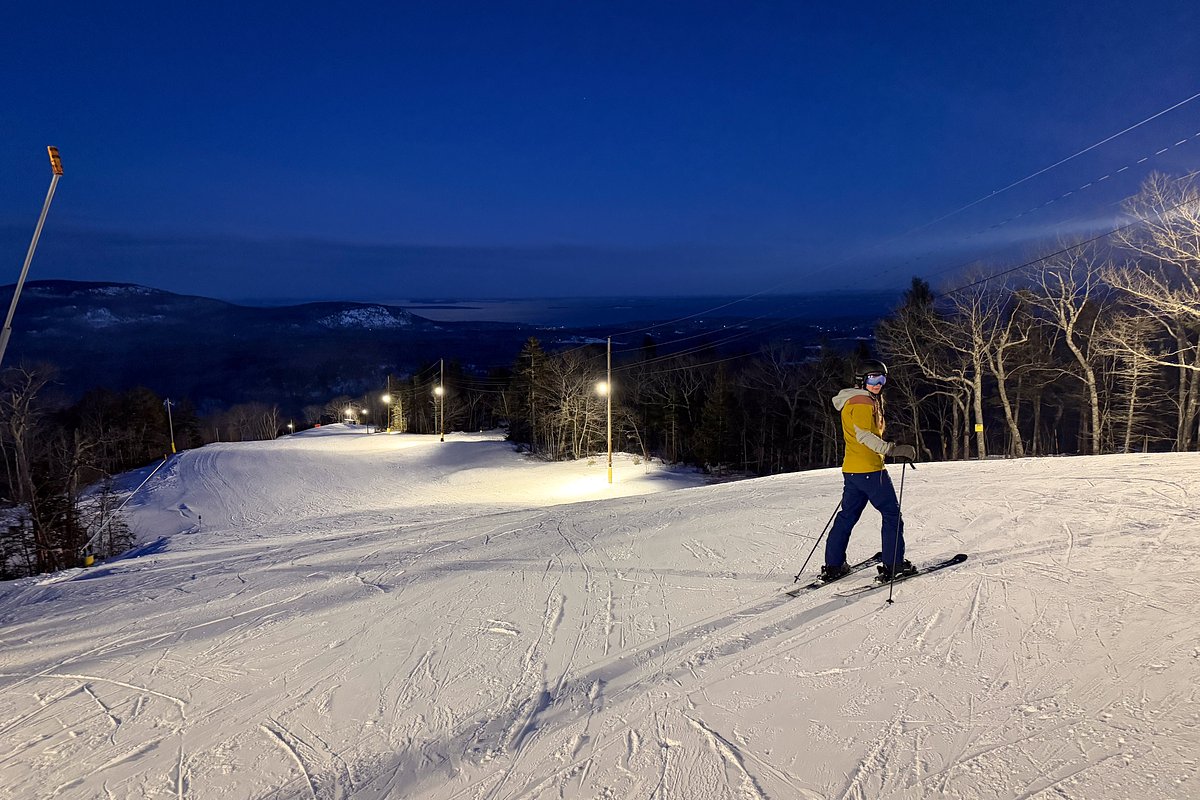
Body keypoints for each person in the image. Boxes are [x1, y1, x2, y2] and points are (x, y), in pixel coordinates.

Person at [822, 359, 918, 583]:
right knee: (892, 515)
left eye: (882, 379)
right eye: (873, 379)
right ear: (862, 380)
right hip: (870, 470)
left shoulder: (853, 400)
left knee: (847, 516)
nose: (878, 384)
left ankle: (834, 565)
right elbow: (864, 435)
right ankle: (894, 566)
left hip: (853, 470)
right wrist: (891, 449)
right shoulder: (863, 402)